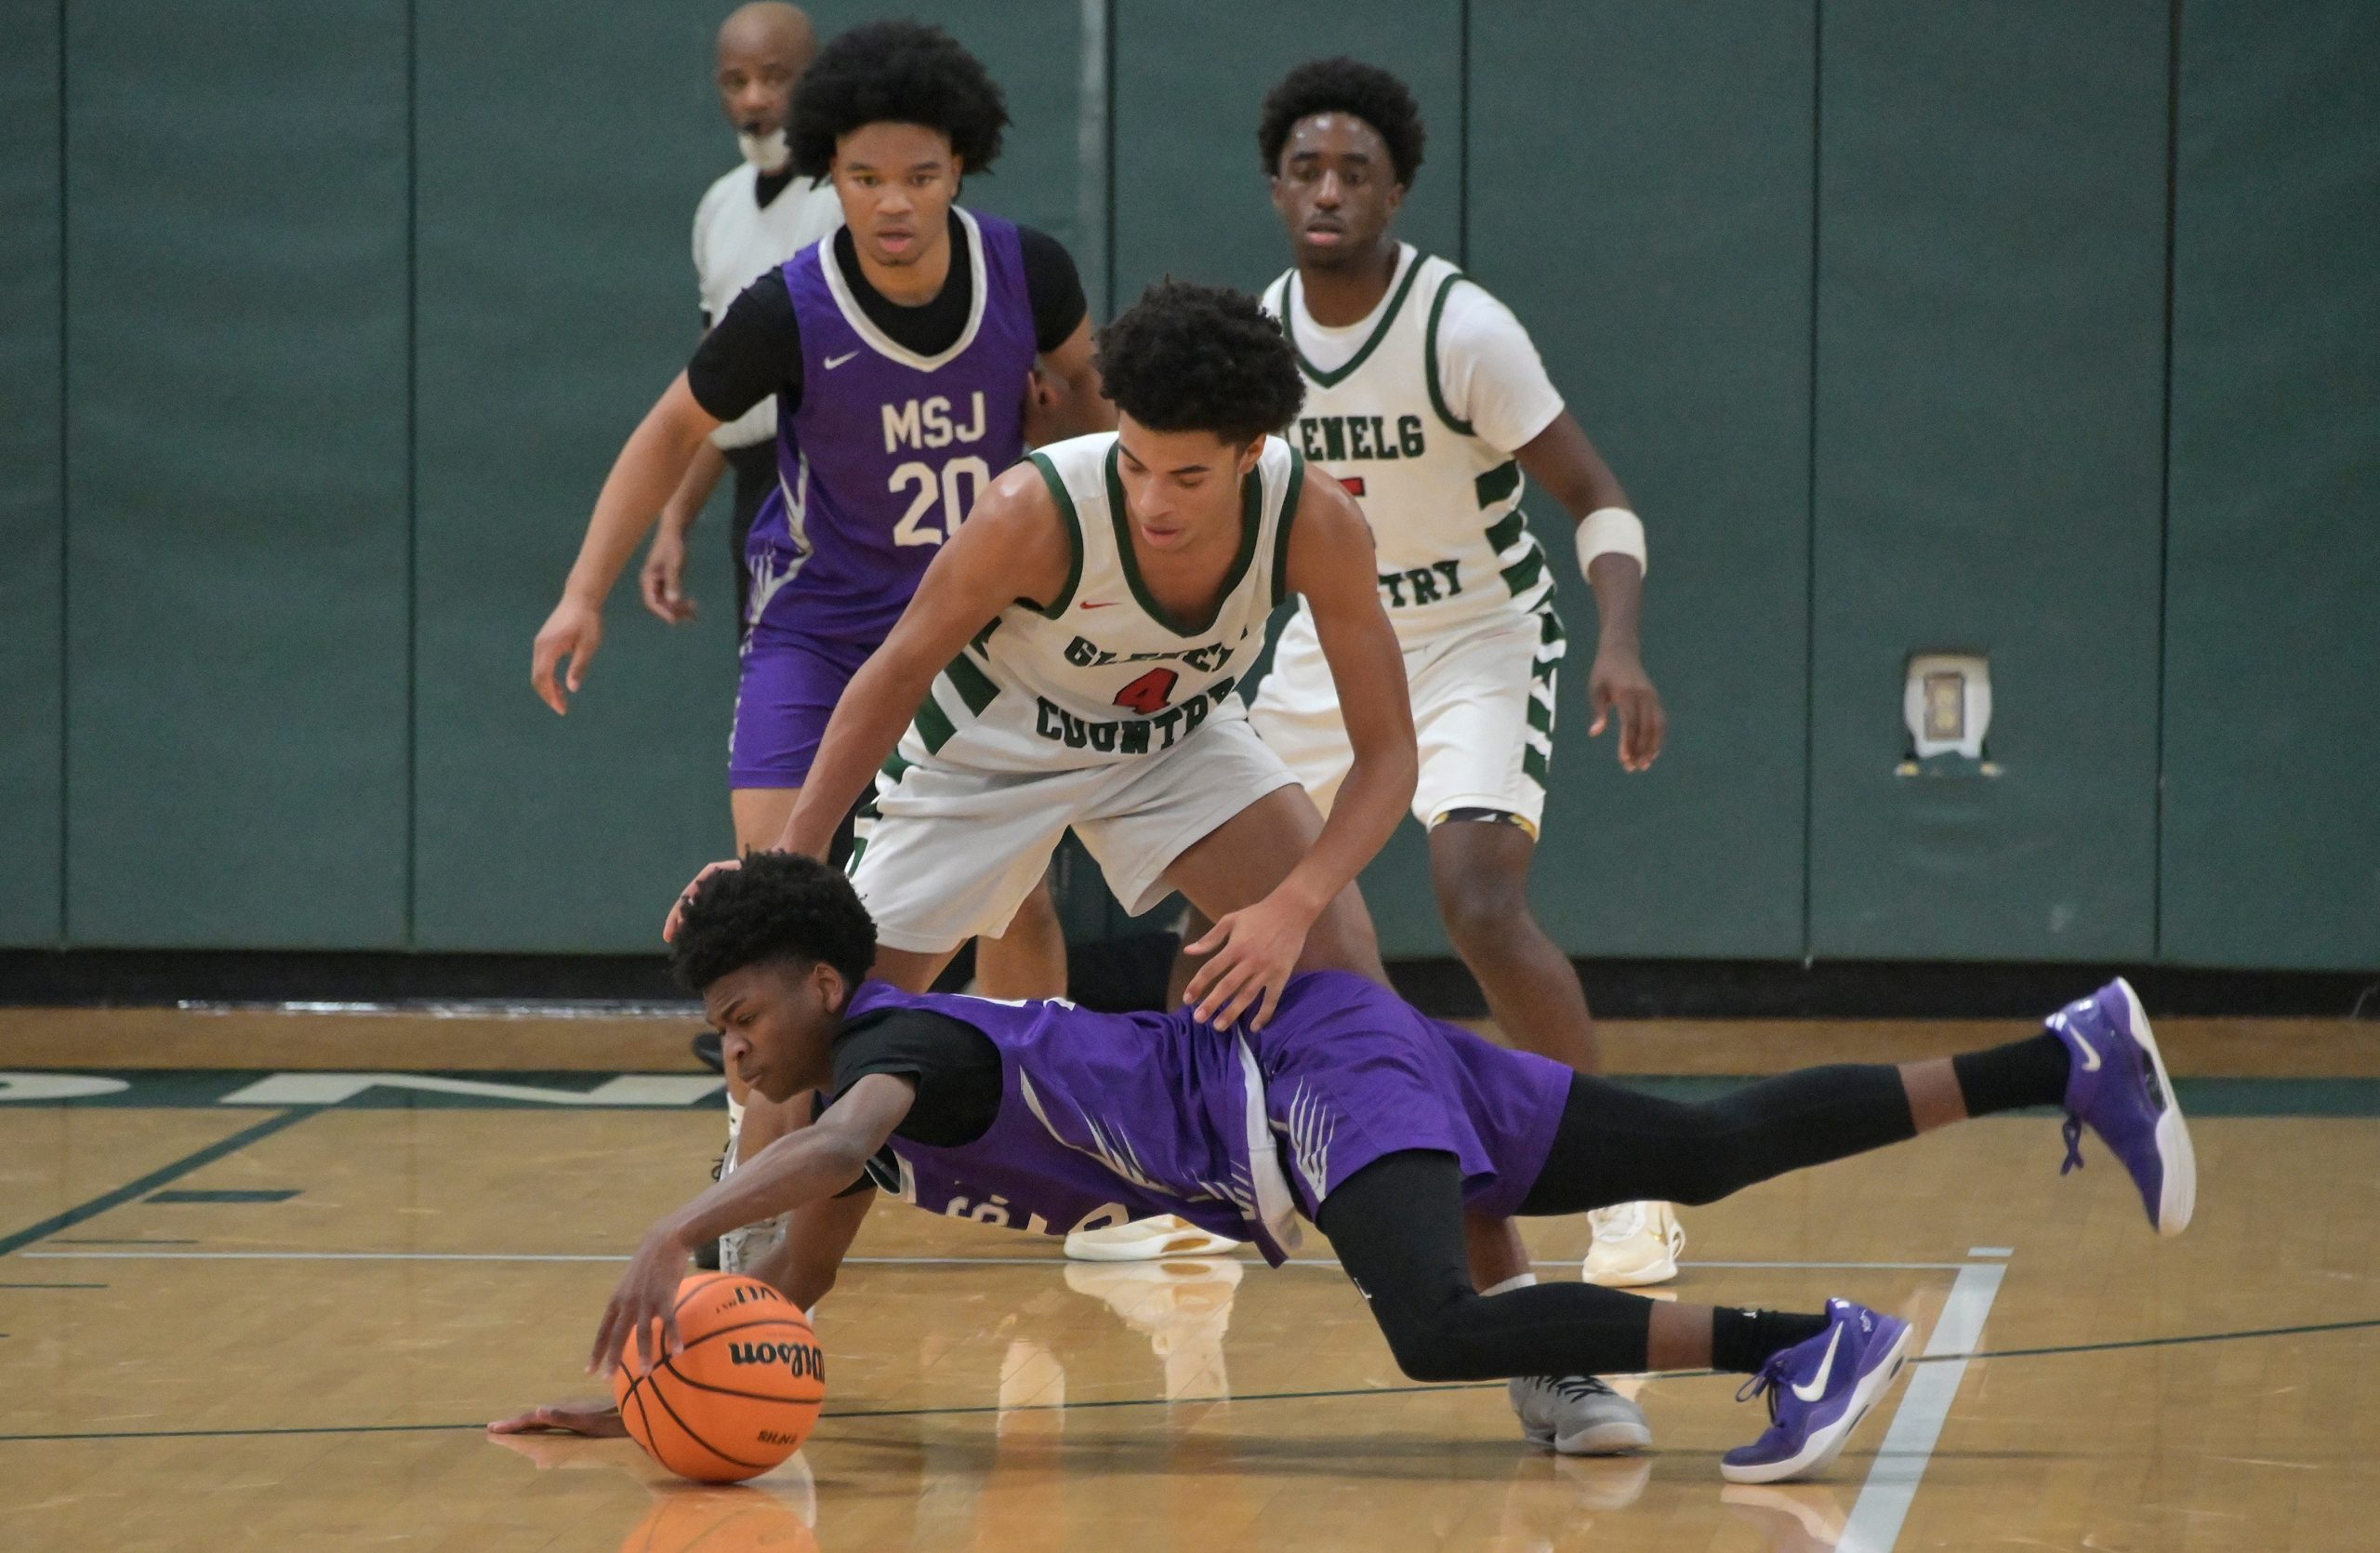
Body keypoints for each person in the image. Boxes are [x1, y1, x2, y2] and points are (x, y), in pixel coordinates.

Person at [662, 275, 1645, 1451]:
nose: (1153, 497)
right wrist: (791, 872)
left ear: (1251, 452)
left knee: (1369, 1016)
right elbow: (892, 674)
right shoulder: (1034, 508)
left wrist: (1292, 903)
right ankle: (716, 1319)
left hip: (1174, 744)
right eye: (1134, 462)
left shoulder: (1316, 520)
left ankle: (1539, 1347)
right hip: (987, 755)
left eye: (1186, 473)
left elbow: (1387, 757)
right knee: (817, 1047)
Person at [492, 851, 2199, 1486]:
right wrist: (652, 1386)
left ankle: (1796, 1345)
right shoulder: (849, 1115)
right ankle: (2066, 1055)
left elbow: (838, 1146)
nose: (729, 1052)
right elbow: (787, 1300)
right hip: (1320, 1068)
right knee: (1705, 1142)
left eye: (734, 1020)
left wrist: (672, 1219)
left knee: (1438, 1327)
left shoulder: (890, 1058)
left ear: (811, 984)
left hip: (1300, 1079)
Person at [530, 19, 1104, 1260]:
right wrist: (585, 589)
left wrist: (1067, 435)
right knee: (781, 926)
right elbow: (666, 432)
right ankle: (754, 1191)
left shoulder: (1032, 275)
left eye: (920, 176)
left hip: (982, 634)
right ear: (829, 172)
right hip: (822, 630)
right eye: (863, 178)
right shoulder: (787, 306)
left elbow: (1101, 415)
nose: (893, 205)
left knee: (1019, 905)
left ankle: (1058, 1149)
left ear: (963, 167)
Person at [1239, 58, 1683, 1289]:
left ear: (1396, 193)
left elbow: (1599, 497)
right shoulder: (1261, 341)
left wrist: (1620, 642)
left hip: (1480, 637)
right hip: (1331, 645)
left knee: (1478, 897)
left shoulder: (1462, 329)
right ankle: (1213, 1177)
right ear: (1277, 190)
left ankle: (1625, 1181)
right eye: (1307, 170)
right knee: (1220, 911)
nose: (1329, 190)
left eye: (1356, 172)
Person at [639, 4, 841, 649]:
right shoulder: (718, 208)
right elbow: (713, 385)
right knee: (773, 708)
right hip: (759, 490)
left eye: (775, 77)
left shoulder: (851, 199)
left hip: (844, 479)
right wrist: (675, 521)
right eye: (736, 81)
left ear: (816, 77)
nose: (756, 99)